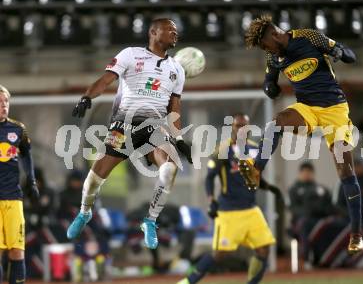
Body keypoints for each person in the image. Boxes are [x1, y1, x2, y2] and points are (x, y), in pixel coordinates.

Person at [66, 18, 192, 250]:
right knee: (94, 179)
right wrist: (86, 97)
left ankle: (150, 220)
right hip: (123, 126)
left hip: (155, 128)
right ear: (153, 32)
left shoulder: (177, 69)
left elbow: (174, 108)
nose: (175, 33)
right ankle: (85, 212)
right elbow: (105, 80)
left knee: (170, 168)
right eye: (170, 29)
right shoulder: (130, 55)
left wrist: (180, 139)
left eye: (176, 30)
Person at [240, 15, 363, 253]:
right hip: (306, 108)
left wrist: (339, 53)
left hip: (334, 109)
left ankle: (356, 234)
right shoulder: (272, 55)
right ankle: (256, 169)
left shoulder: (309, 37)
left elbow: (350, 55)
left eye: (266, 45)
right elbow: (269, 81)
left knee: (345, 170)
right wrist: (270, 88)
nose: (267, 51)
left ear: (275, 35)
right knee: (276, 123)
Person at [177, 113, 276, 284]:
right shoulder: (222, 150)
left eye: (245, 125)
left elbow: (256, 175)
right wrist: (211, 200)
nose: (242, 129)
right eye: (239, 126)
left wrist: (270, 188)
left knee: (264, 250)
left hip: (251, 209)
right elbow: (209, 178)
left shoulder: (254, 149)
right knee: (219, 254)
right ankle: (187, 281)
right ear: (232, 128)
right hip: (229, 211)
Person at [0, 85, 39, 284]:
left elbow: (26, 155)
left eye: (5, 102)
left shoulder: (17, 129)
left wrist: (31, 180)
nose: (3, 106)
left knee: (17, 249)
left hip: (13, 198)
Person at [289, 162, 334, 264]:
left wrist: (322, 212)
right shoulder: (294, 189)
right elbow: (293, 208)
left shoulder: (321, 189)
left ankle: (329, 257)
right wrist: (309, 211)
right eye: (304, 172)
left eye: (309, 172)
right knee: (304, 223)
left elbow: (329, 207)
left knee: (332, 223)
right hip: (301, 221)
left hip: (319, 219)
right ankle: (306, 257)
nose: (307, 174)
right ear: (300, 173)